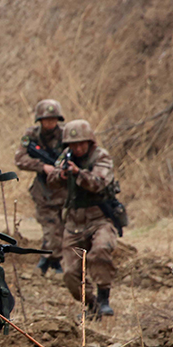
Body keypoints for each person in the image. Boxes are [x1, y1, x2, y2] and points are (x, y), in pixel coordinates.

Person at [48, 119, 119, 317]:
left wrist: (78, 173)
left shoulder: (101, 157)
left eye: (81, 143)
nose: (78, 148)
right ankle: (91, 303)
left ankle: (104, 298)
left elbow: (98, 183)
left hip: (100, 219)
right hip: (74, 222)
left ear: (90, 142)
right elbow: (50, 180)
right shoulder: (65, 157)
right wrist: (61, 175)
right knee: (70, 273)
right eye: (73, 144)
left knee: (101, 250)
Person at [14, 99, 67, 274]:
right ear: (39, 120)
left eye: (53, 119)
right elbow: (20, 159)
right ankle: (52, 261)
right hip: (44, 191)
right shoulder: (32, 136)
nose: (50, 123)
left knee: (63, 227)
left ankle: (50, 259)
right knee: (50, 227)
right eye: (46, 119)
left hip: (65, 190)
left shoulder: (66, 135)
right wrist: (42, 166)